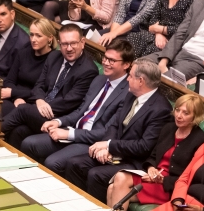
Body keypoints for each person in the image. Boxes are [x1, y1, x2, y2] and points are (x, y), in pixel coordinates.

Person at [64, 60, 173, 202]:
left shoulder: (160, 109)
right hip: (116, 153)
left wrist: (109, 146)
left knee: (95, 174)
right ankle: (73, 205)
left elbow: (144, 147)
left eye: (131, 76)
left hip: (133, 162)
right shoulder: (131, 95)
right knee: (75, 164)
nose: (127, 79)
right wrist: (106, 145)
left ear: (141, 81)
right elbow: (115, 125)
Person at [21, 40, 134, 173]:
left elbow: (107, 131)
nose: (105, 63)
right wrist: (58, 121)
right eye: (105, 58)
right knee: (29, 143)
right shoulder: (99, 80)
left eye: (112, 60)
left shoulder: (128, 93)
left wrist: (70, 134)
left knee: (52, 162)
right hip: (73, 130)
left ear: (126, 64)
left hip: (90, 142)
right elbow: (81, 111)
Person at [106, 93, 204, 211]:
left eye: (185, 113)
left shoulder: (201, 140)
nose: (179, 116)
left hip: (169, 186)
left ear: (195, 116)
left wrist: (163, 180)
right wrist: (150, 168)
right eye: (177, 110)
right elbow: (153, 156)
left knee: (114, 187)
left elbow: (192, 178)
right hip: (153, 177)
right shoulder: (168, 128)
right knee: (115, 183)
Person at [1, 24, 98, 147]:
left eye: (73, 43)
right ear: (59, 43)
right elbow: (39, 85)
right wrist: (40, 100)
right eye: (64, 44)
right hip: (41, 108)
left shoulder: (88, 70)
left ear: (82, 42)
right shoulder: (54, 57)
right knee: (19, 131)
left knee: (22, 109)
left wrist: (40, 107)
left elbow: (69, 102)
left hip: (58, 118)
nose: (69, 48)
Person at [1, 19, 56, 118]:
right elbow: (9, 81)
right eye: (31, 35)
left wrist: (14, 93)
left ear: (50, 38)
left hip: (34, 102)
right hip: (14, 99)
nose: (33, 39)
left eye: (38, 36)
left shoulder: (53, 59)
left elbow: (43, 91)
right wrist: (16, 98)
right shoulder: (23, 52)